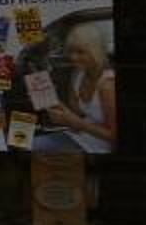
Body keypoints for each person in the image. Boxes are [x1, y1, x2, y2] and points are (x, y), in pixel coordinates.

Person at [39, 18, 118, 154]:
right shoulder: (78, 75)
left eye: (80, 52)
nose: (73, 57)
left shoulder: (108, 85)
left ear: (96, 51)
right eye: (71, 51)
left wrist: (77, 123)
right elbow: (75, 118)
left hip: (98, 148)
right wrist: (54, 104)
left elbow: (115, 137)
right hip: (77, 137)